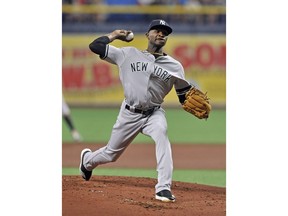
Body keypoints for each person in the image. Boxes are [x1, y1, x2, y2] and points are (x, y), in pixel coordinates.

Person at [79, 19, 195, 202]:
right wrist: (115, 35)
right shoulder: (128, 54)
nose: (161, 34)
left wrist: (189, 101)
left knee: (162, 134)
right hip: (129, 113)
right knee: (111, 154)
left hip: (154, 114)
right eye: (157, 30)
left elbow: (183, 93)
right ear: (147, 35)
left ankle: (163, 188)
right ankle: (87, 161)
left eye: (165, 32)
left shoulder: (175, 66)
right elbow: (95, 46)